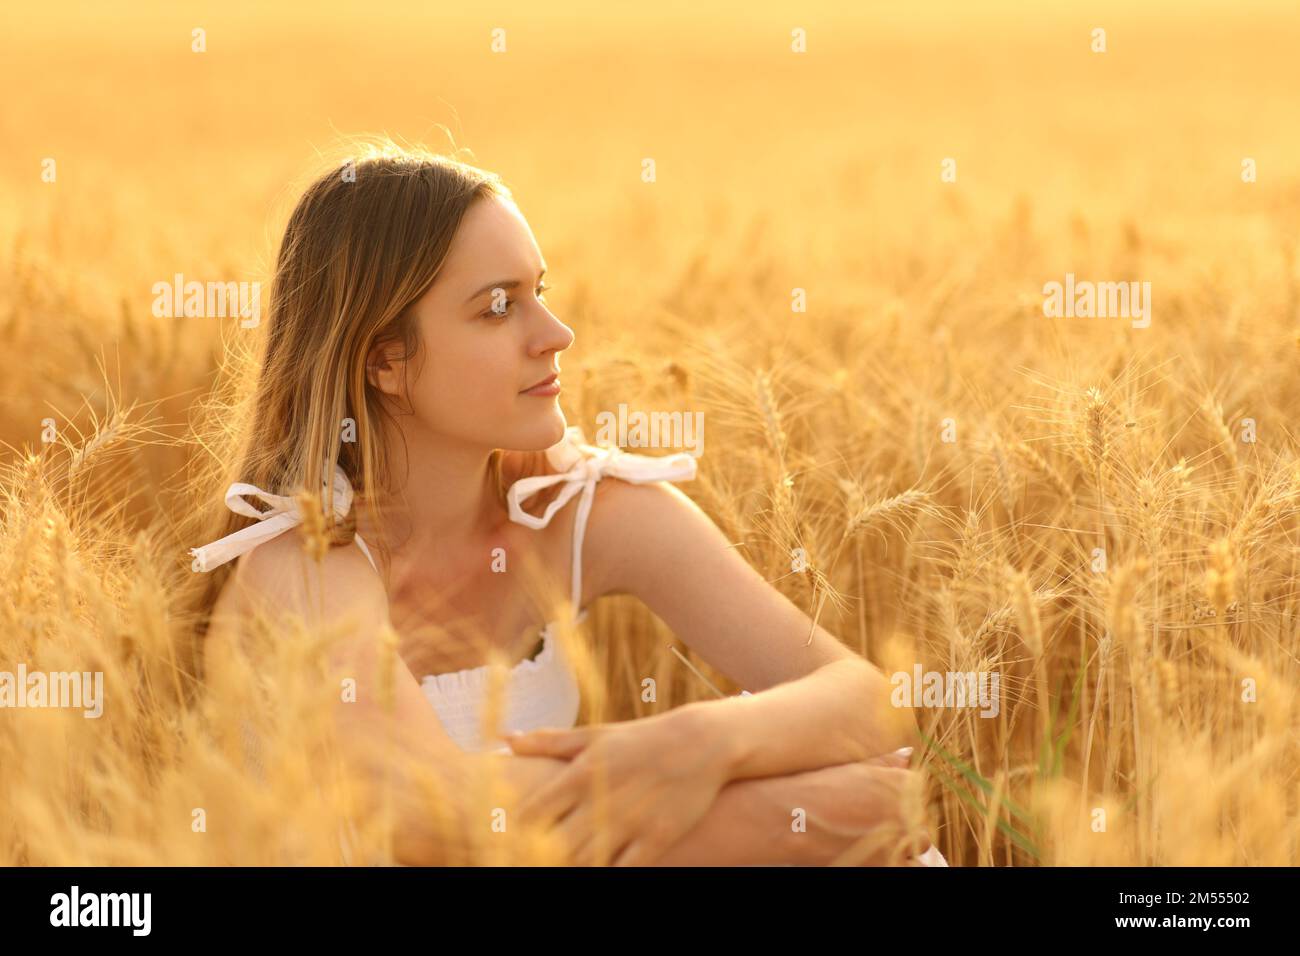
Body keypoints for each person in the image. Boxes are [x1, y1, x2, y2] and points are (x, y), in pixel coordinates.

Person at [187, 138, 947, 867]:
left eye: (539, 293)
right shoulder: (305, 563)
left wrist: (697, 745)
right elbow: (423, 814)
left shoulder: (575, 508)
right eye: (496, 308)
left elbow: (866, 698)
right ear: (386, 359)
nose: (555, 334)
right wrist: (786, 822)